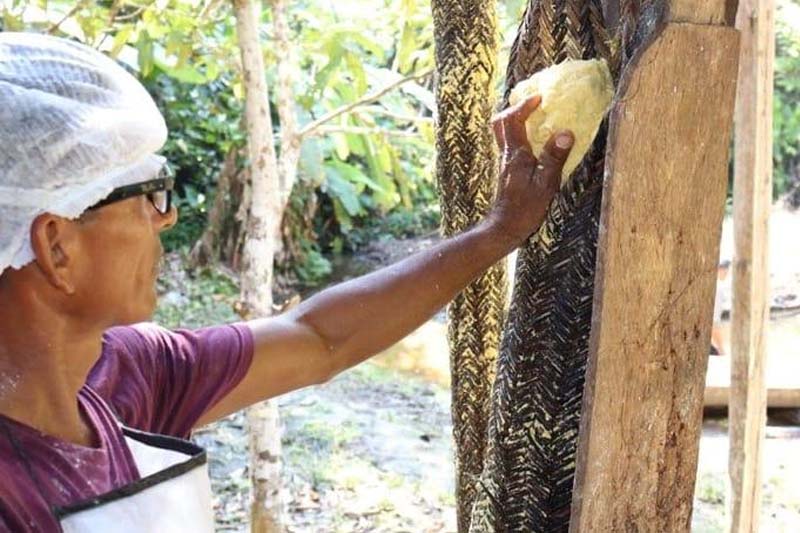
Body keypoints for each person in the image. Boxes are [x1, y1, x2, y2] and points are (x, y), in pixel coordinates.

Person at [0, 32, 574, 531]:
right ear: (56, 245)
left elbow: (321, 338)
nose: (166, 216)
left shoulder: (124, 371)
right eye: (148, 195)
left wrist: (497, 234)